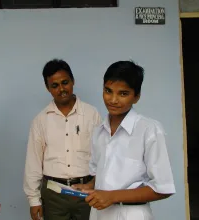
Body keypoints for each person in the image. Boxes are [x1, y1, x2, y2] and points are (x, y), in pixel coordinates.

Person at [73, 60, 176, 220]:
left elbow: (163, 188)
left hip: (132, 214)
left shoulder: (149, 130)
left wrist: (112, 196)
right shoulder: (99, 131)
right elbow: (101, 175)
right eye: (108, 91)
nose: (113, 100)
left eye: (123, 93)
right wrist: (87, 187)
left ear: (137, 97)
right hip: (99, 215)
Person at [24, 59, 102, 220]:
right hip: (54, 195)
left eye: (65, 82)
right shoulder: (40, 120)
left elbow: (103, 154)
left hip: (86, 192)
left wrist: (96, 185)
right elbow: (33, 162)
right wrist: (33, 200)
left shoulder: (91, 114)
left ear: (73, 81)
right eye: (55, 85)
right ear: (48, 88)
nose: (61, 89)